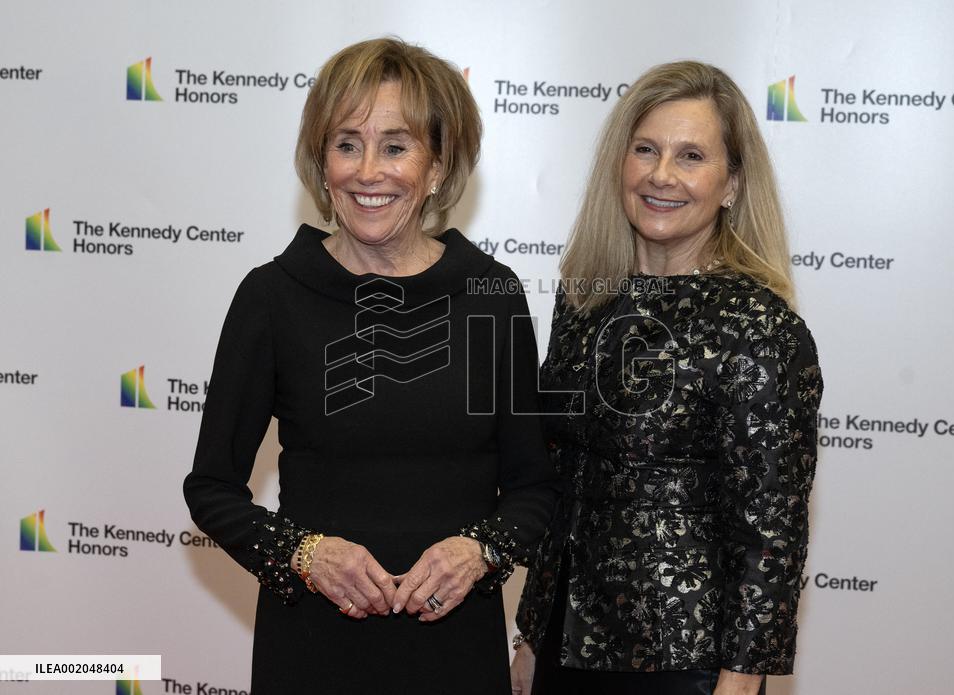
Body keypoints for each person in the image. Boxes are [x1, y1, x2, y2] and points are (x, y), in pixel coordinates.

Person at [183, 38, 559, 695]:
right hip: (311, 651)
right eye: (347, 143)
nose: (367, 171)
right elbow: (211, 487)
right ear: (321, 162)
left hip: (454, 650)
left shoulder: (491, 294)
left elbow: (535, 487)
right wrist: (306, 554)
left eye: (396, 145)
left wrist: (480, 550)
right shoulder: (272, 296)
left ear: (437, 164)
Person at [511, 61, 823, 695]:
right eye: (646, 150)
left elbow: (771, 528)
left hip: (684, 663)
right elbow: (564, 482)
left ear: (731, 183)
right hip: (560, 646)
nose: (662, 175)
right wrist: (529, 634)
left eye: (691, 156)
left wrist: (741, 681)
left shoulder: (757, 326)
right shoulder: (584, 299)